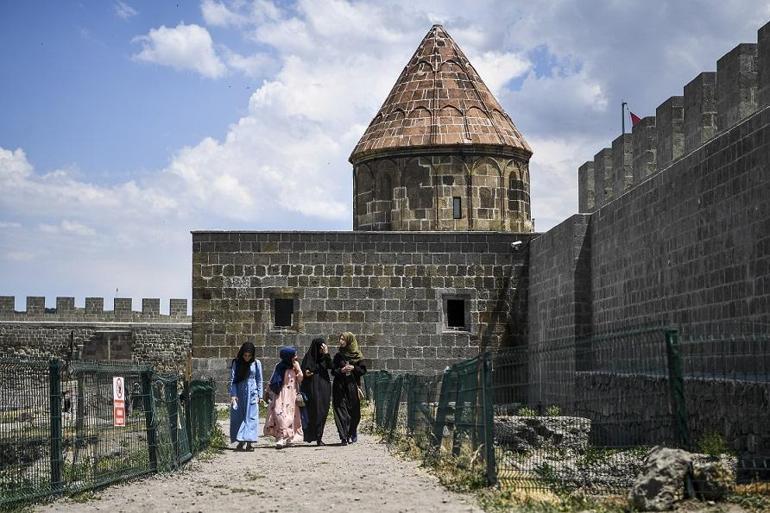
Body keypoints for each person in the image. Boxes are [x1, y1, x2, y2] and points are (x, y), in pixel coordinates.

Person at [263, 346, 304, 448]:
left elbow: (300, 379)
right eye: (294, 355)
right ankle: (280, 438)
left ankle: (290, 438)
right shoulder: (279, 366)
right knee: (279, 414)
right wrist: (267, 391)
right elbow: (273, 379)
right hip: (280, 394)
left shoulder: (295, 366)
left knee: (291, 416)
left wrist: (298, 369)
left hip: (292, 394)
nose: (296, 357)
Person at [332, 332, 367, 445]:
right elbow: (333, 371)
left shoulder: (358, 356)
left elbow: (363, 371)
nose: (341, 341)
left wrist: (353, 368)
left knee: (354, 413)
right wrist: (341, 370)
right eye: (340, 338)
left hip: (352, 386)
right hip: (340, 386)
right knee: (341, 411)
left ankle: (352, 431)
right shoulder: (338, 356)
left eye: (343, 339)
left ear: (349, 341)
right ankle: (343, 436)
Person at [229, 341, 263, 451]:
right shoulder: (237, 363)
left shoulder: (256, 363)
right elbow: (233, 380)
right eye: (245, 355)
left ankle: (250, 442)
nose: (247, 358)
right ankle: (241, 440)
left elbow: (259, 379)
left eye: (249, 356)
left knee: (251, 417)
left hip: (252, 393)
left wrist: (260, 395)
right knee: (239, 417)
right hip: (239, 392)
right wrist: (233, 394)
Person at [300, 337, 333, 445]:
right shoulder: (308, 357)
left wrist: (326, 354)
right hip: (311, 388)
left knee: (323, 411)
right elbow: (303, 371)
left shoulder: (324, 358)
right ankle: (311, 436)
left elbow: (331, 366)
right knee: (313, 411)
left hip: (324, 387)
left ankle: (319, 436)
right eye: (320, 348)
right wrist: (306, 373)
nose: (321, 350)